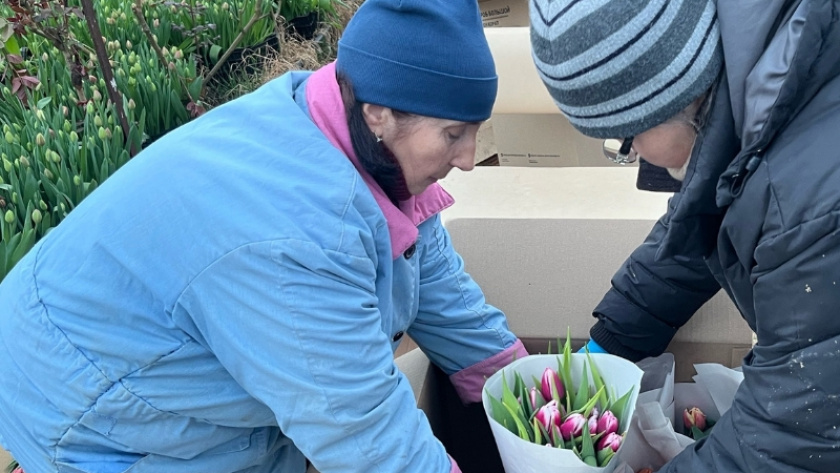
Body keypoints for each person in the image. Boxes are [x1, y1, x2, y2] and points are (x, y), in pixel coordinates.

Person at [0, 1, 529, 471]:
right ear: (380, 115)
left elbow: (445, 298)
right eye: (453, 135)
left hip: (169, 337)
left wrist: (540, 401)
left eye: (474, 130)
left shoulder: (363, 142)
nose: (468, 159)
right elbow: (366, 441)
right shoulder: (295, 239)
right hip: (89, 401)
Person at [530, 0, 840, 472]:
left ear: (668, 95)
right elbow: (705, 218)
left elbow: (792, 433)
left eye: (624, 142)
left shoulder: (811, 199)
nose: (634, 158)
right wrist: (614, 338)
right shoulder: (761, 96)